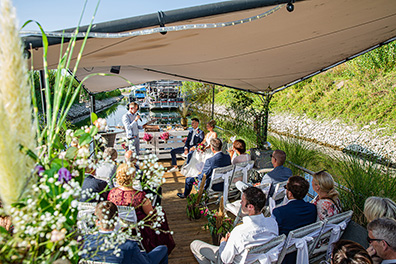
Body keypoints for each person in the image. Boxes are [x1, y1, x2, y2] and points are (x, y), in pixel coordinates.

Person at [190, 187, 278, 264]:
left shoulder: (239, 232)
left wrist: (223, 243)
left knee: (194, 245)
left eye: (242, 201)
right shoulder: (272, 223)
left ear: (250, 207)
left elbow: (225, 259)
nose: (240, 203)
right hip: (258, 260)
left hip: (234, 261)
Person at [107, 164, 175, 254]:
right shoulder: (139, 196)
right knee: (160, 213)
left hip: (120, 224)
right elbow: (150, 213)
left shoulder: (112, 193)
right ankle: (162, 245)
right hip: (138, 227)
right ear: (133, 177)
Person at [81, 201, 168, 264]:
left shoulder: (85, 242)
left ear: (97, 221)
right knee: (163, 249)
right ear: (117, 218)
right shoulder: (129, 245)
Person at [272, 176, 317, 264]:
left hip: (283, 255)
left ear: (289, 194)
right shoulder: (312, 209)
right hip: (302, 250)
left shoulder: (279, 212)